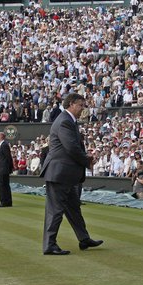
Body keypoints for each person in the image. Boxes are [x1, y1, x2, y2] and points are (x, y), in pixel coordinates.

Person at [40, 92, 103, 256]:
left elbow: (72, 147)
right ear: (71, 104)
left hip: (65, 174)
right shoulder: (65, 122)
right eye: (81, 105)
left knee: (74, 209)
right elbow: (71, 148)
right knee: (55, 210)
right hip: (60, 173)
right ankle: (50, 245)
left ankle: (84, 238)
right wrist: (87, 160)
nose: (83, 108)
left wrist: (85, 159)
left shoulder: (68, 121)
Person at [0, 132, 14, 207]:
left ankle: (4, 202)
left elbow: (8, 157)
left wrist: (9, 168)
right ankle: (7, 201)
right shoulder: (3, 145)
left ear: (0, 137)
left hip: (3, 169)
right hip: (3, 168)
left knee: (2, 185)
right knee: (5, 185)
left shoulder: (4, 145)